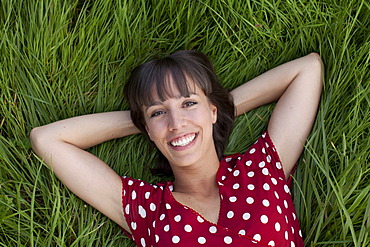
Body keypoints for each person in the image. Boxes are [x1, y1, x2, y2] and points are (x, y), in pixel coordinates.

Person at [30, 50, 323, 246]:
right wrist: (144, 120)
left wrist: (217, 108)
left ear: (212, 110)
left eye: (188, 103)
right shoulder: (149, 210)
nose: (176, 122)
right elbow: (47, 139)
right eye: (159, 112)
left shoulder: (262, 170)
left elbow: (308, 69)